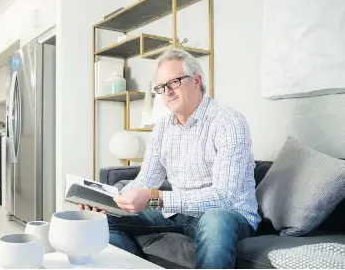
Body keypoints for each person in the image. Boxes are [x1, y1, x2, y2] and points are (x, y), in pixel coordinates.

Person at [79, 49, 260, 269]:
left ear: (197, 80)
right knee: (101, 220)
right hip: (178, 214)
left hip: (228, 216)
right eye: (161, 87)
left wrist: (155, 197)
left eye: (174, 82)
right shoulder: (163, 127)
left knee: (216, 220)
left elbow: (224, 197)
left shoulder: (228, 123)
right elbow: (146, 180)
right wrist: (105, 202)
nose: (168, 92)